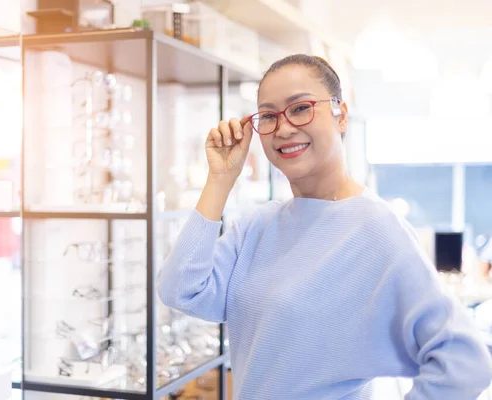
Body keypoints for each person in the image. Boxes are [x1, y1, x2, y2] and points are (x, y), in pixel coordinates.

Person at [157, 54, 492, 399]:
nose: (284, 127)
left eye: (300, 107)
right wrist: (220, 180)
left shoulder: (376, 230)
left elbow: (464, 363)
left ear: (341, 115)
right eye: (269, 115)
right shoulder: (257, 226)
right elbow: (181, 290)